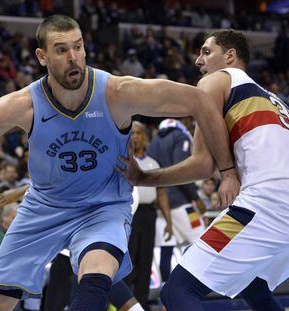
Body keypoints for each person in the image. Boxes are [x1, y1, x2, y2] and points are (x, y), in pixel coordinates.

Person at [0, 15, 236, 311]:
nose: (73, 57)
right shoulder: (22, 104)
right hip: (43, 207)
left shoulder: (118, 92)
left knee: (95, 275)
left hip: (103, 206)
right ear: (42, 57)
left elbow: (200, 100)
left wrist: (227, 171)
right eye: (61, 50)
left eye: (78, 47)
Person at [117, 29, 289, 311]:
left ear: (230, 56)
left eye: (206, 52)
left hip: (267, 204)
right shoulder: (275, 99)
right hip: (279, 207)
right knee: (253, 286)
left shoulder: (217, 80)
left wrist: (143, 177)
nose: (199, 61)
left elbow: (203, 164)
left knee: (176, 291)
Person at [147, 117, 205, 283]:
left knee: (167, 247)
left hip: (161, 204)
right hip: (182, 202)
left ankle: (167, 290)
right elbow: (182, 169)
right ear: (184, 121)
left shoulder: (155, 140)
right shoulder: (181, 136)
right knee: (200, 240)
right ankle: (200, 285)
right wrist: (195, 196)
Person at [124, 121, 172, 310]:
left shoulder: (153, 163)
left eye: (138, 133)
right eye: (132, 133)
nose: (135, 137)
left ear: (144, 137)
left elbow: (161, 194)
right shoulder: (123, 161)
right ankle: (123, 305)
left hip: (149, 215)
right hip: (129, 214)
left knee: (145, 262)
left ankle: (141, 305)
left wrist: (169, 221)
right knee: (127, 263)